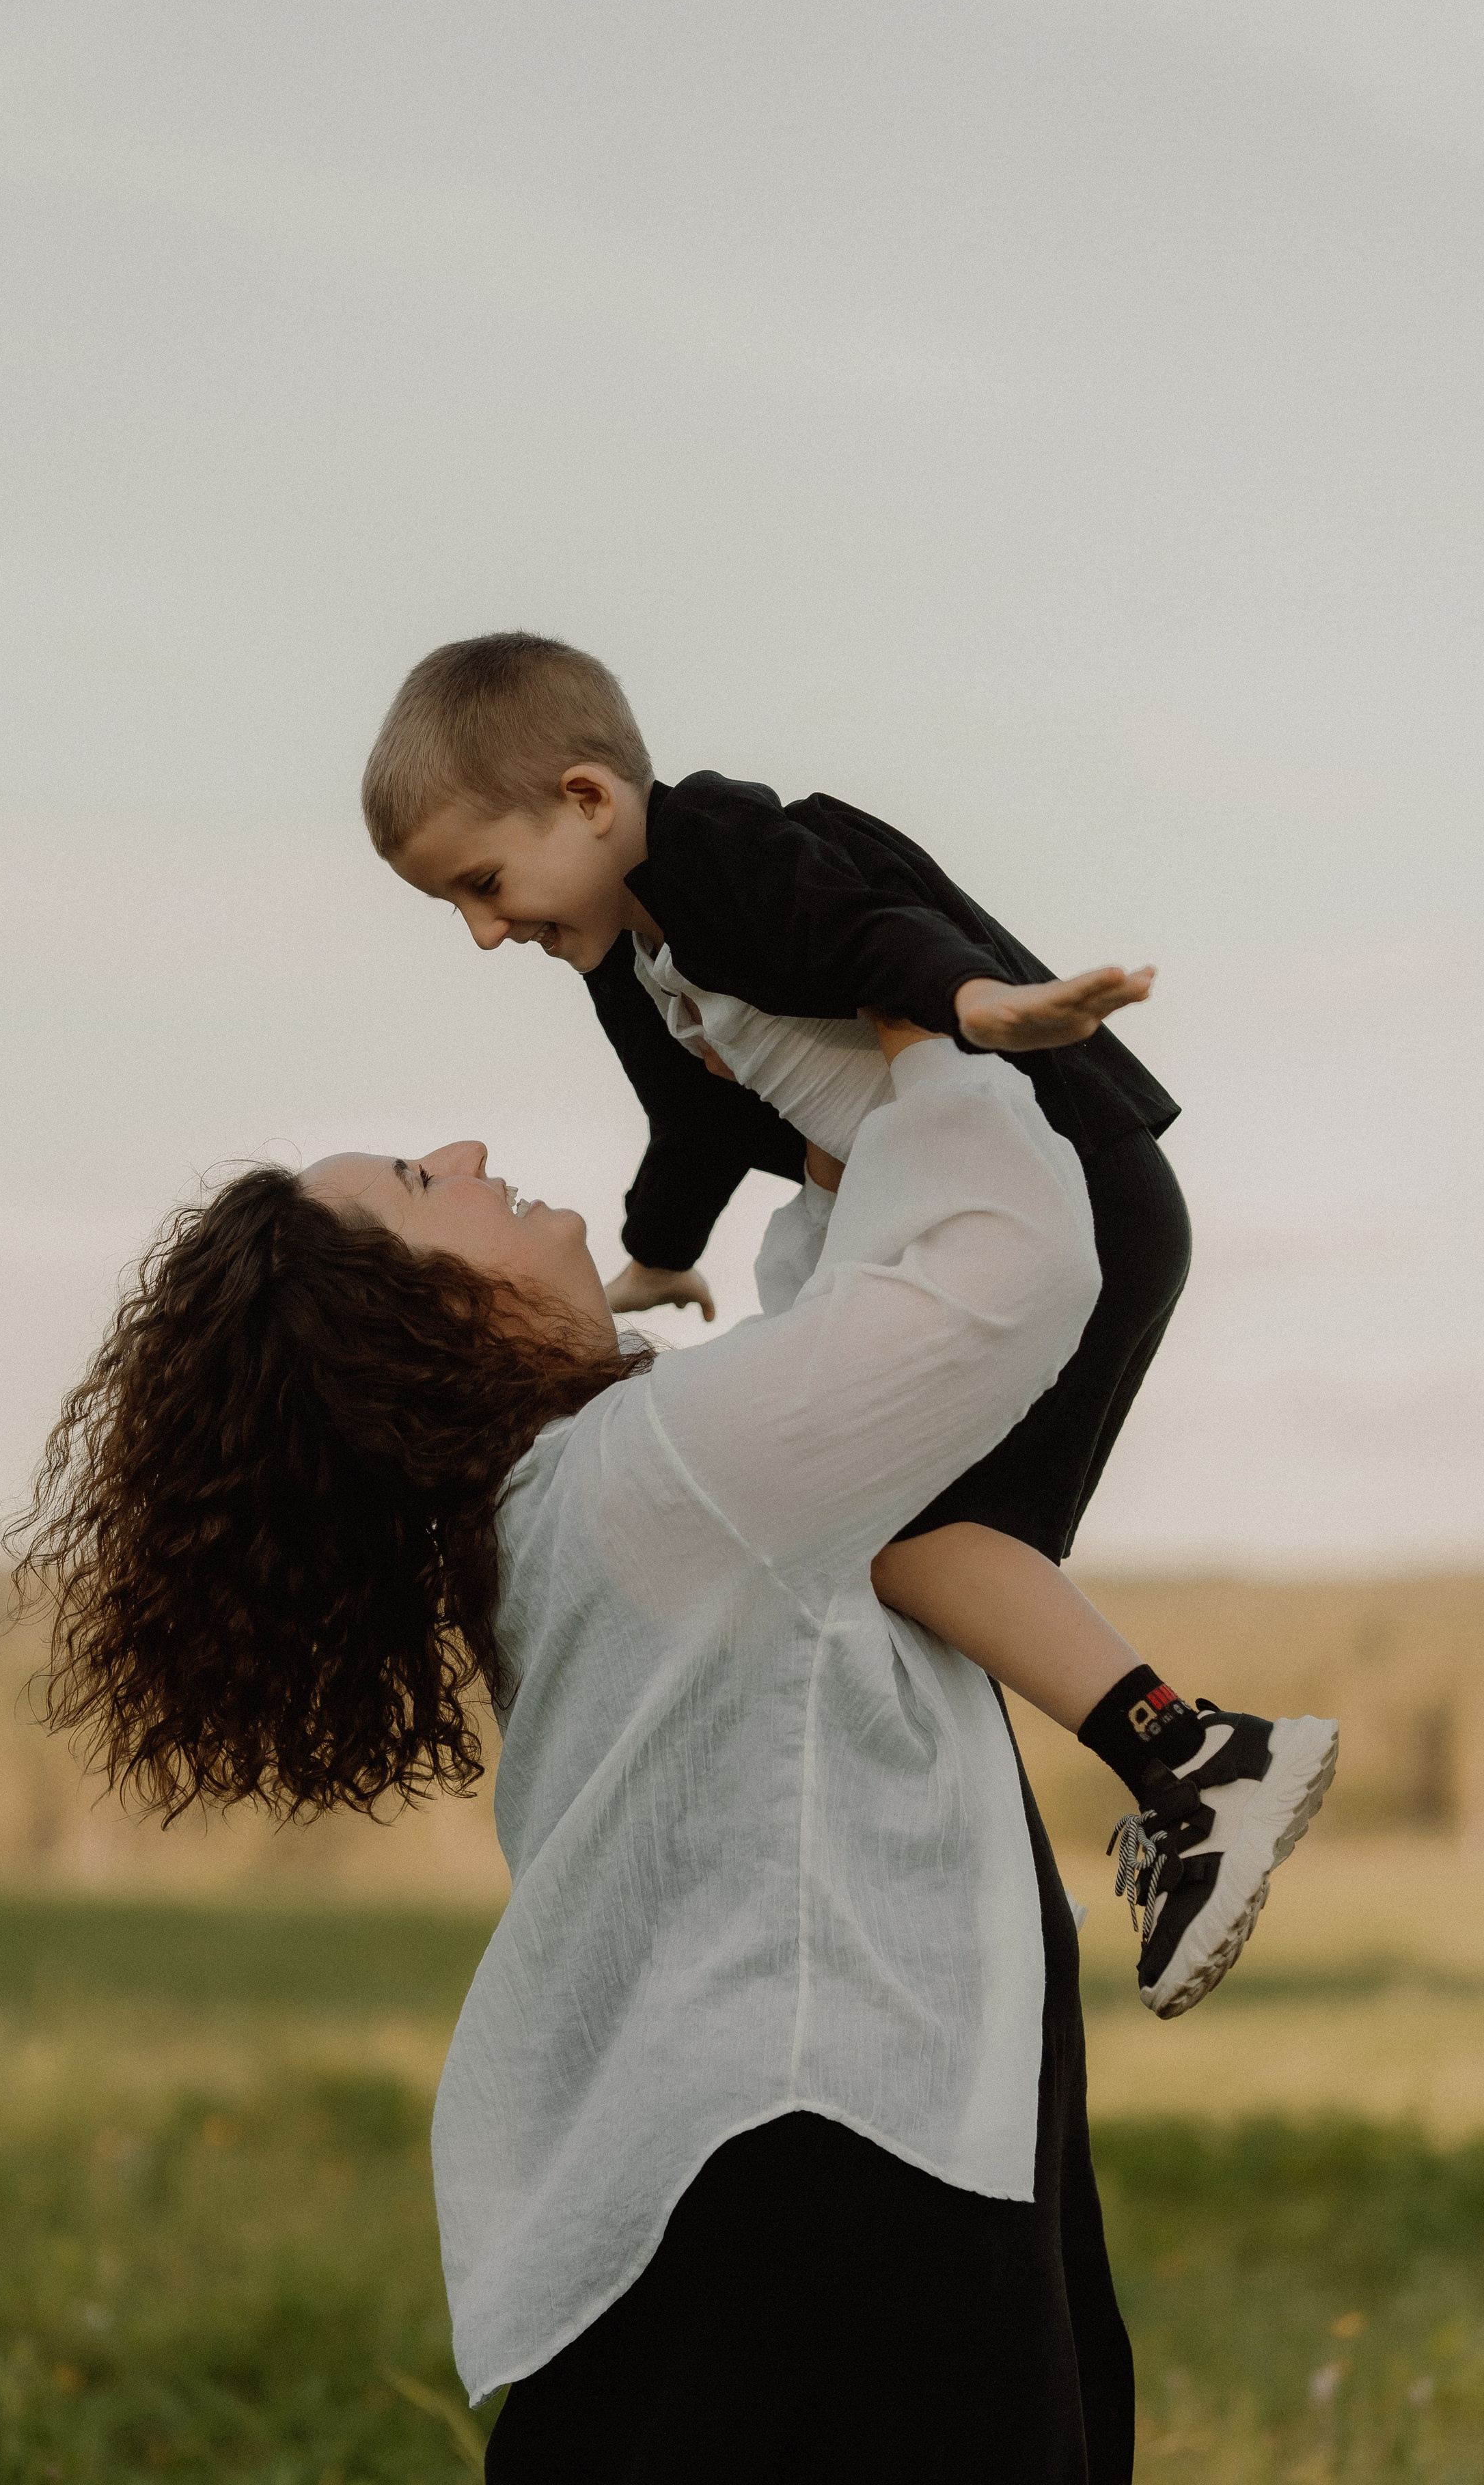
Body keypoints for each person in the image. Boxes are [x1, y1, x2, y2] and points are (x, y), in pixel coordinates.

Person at [11, 1024, 1141, 2475]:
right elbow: (1013, 1263)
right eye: (424, 1183)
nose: (472, 1156)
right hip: (834, 2153)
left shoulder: (562, 1502)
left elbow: (835, 1342)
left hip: (762, 2152)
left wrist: (823, 1146)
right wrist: (925, 1045)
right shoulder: (663, 1473)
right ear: (416, 1317)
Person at [363, 631, 1339, 2015]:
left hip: (1066, 1196)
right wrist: (650, 1256)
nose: (480, 930)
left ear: (585, 800)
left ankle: (1198, 1766)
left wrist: (970, 1003)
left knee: (922, 1546)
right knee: (921, 1573)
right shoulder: (632, 958)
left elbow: (863, 927)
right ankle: (1008, 1869)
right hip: (973, 1212)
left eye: (480, 884)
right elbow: (690, 1117)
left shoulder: (718, 854)